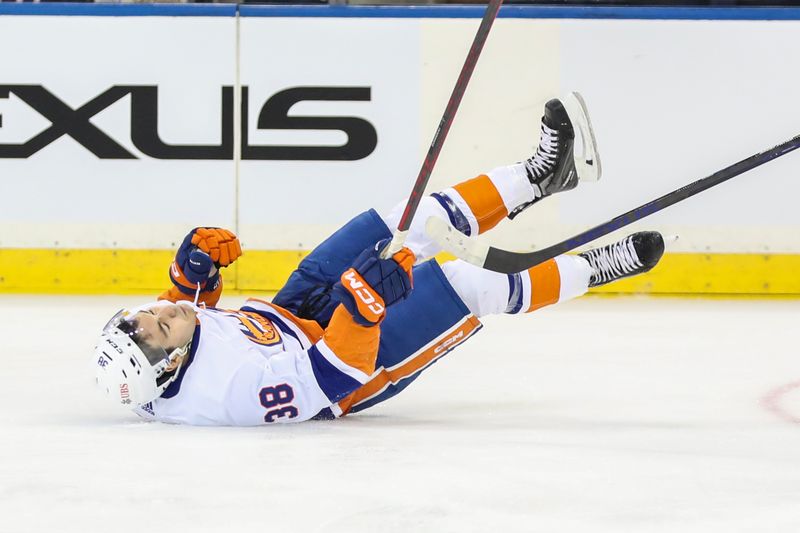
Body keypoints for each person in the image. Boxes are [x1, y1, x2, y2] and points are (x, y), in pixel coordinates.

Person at [92, 96, 665, 426]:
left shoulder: (161, 352)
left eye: (149, 313)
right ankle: (598, 267)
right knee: (467, 282)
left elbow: (185, 312)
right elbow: (332, 377)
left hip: (291, 308)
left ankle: (538, 176)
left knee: (406, 218)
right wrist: (363, 310)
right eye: (162, 324)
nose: (164, 312)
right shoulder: (228, 394)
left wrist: (194, 273)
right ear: (169, 367)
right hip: (354, 362)